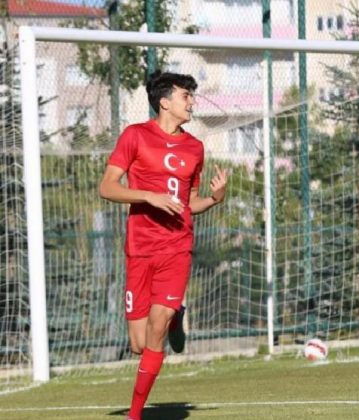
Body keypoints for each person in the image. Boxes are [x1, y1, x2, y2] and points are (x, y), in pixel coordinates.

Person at [99, 71, 228, 420]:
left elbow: (189, 203)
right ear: (164, 101)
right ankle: (176, 320)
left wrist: (214, 198)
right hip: (140, 249)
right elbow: (107, 187)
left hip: (176, 247)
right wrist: (147, 196)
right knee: (139, 344)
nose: (191, 102)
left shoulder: (195, 148)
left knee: (158, 324)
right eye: (186, 96)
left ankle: (135, 415)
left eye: (191, 96)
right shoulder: (135, 136)